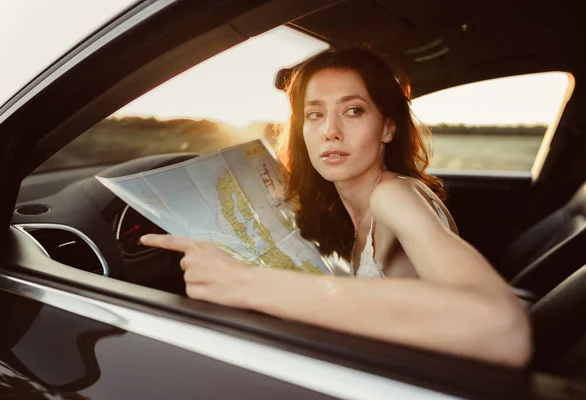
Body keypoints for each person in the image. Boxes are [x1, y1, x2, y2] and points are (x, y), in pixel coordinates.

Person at [140, 48, 532, 368]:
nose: (330, 130)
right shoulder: (354, 205)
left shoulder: (394, 196)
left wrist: (241, 283)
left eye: (353, 110)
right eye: (315, 114)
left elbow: (500, 326)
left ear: (388, 128)